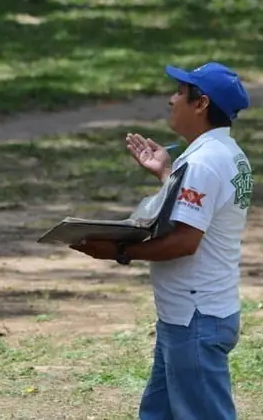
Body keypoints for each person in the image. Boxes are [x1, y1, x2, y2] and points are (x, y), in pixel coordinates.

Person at [71, 62, 253, 420]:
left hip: (195, 317)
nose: (171, 100)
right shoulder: (225, 154)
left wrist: (119, 251)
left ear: (201, 104)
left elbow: (185, 241)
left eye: (180, 93)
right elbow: (200, 211)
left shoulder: (204, 162)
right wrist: (168, 175)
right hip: (191, 315)